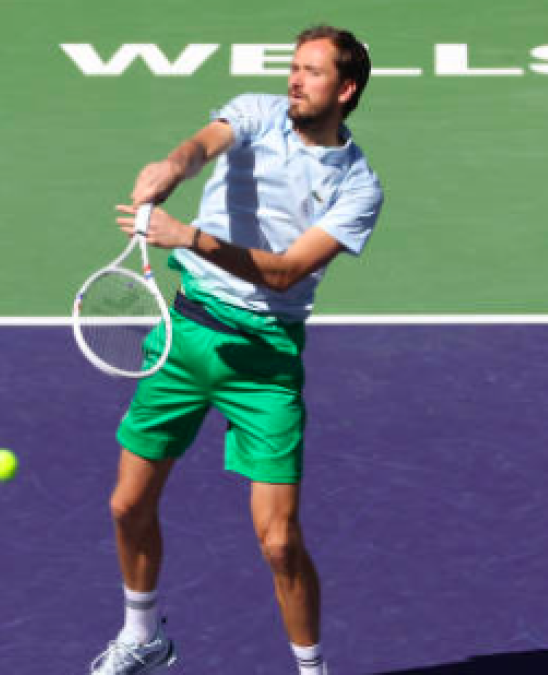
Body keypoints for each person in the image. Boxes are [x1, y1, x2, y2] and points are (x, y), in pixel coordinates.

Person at [89, 24, 384, 675]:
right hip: (185, 337)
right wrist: (172, 165)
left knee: (279, 542)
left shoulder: (359, 188)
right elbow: (203, 145)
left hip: (264, 362)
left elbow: (283, 272)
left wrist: (187, 235)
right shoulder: (255, 110)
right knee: (126, 504)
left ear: (346, 88)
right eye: (294, 67)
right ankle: (144, 636)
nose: (294, 80)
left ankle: (312, 670)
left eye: (311, 71)